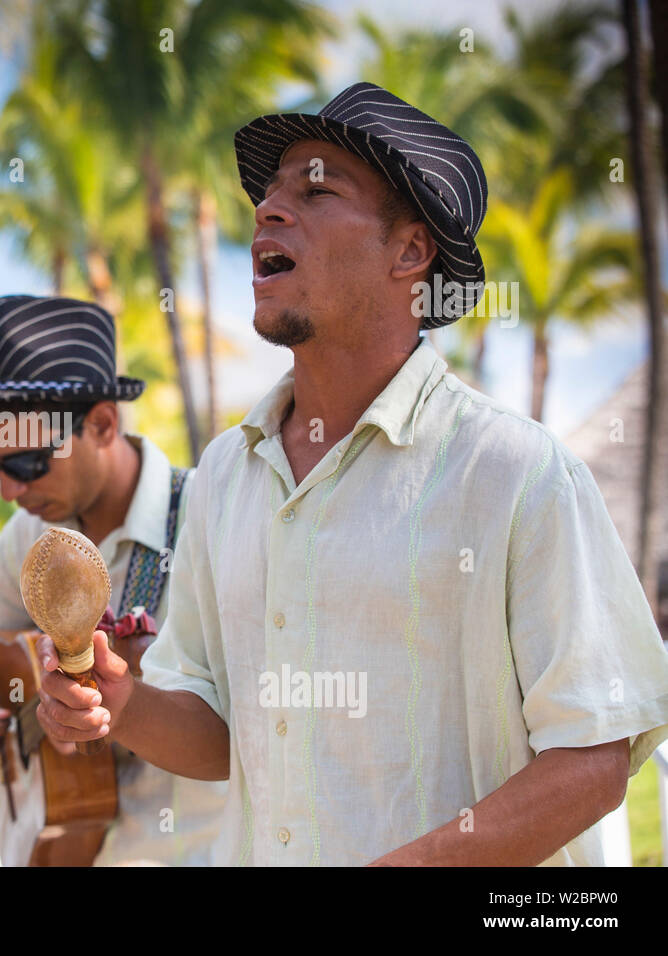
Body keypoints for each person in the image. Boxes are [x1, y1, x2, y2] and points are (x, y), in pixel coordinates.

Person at [34, 83, 668, 865]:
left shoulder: (518, 474)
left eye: (316, 186)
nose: (267, 208)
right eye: (268, 193)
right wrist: (121, 702)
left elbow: (595, 758)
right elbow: (223, 733)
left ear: (410, 252)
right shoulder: (227, 474)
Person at [0, 294, 226, 865]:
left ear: (103, 423)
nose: (8, 492)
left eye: (26, 463)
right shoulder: (28, 533)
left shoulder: (207, 520)